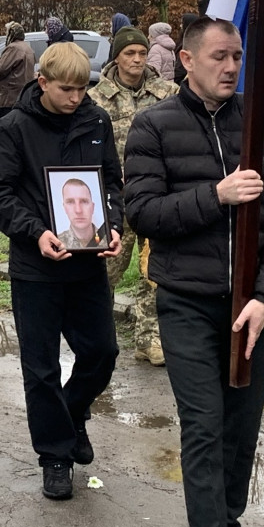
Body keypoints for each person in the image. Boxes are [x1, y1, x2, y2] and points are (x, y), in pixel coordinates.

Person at [124, 17, 264, 527]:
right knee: (203, 426)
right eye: (218, 56)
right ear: (186, 60)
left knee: (239, 431)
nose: (230, 67)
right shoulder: (153, 125)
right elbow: (145, 214)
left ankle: (226, 525)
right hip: (187, 301)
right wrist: (216, 195)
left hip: (251, 308)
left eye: (237, 56)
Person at [0, 42, 123, 501]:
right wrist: (35, 232)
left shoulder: (96, 121)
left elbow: (112, 183)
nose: (76, 97)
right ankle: (55, 457)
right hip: (36, 269)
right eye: (67, 89)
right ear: (42, 83)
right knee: (40, 369)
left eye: (83, 88)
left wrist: (112, 225)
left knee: (102, 352)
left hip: (87, 267)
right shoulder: (16, 128)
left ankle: (71, 412)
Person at [89, 25, 179, 366]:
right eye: (130, 53)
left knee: (153, 271)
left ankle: (150, 339)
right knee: (105, 271)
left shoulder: (168, 93)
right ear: (117, 57)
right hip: (113, 198)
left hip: (156, 197)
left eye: (142, 53)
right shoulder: (96, 98)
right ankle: (98, 337)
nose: (137, 60)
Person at [0, 22, 36, 119]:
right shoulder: (28, 48)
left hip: (10, 95)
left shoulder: (13, 48)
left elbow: (2, 68)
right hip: (23, 94)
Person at [55, 179, 104, 249]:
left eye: (84, 201)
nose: (78, 210)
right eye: (70, 202)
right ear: (65, 208)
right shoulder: (56, 243)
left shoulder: (108, 239)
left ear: (92, 207)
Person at [173, 11, 200, 83]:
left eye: (182, 23)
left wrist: (177, 78)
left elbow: (181, 67)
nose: (180, 26)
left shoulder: (189, 44)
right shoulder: (183, 40)